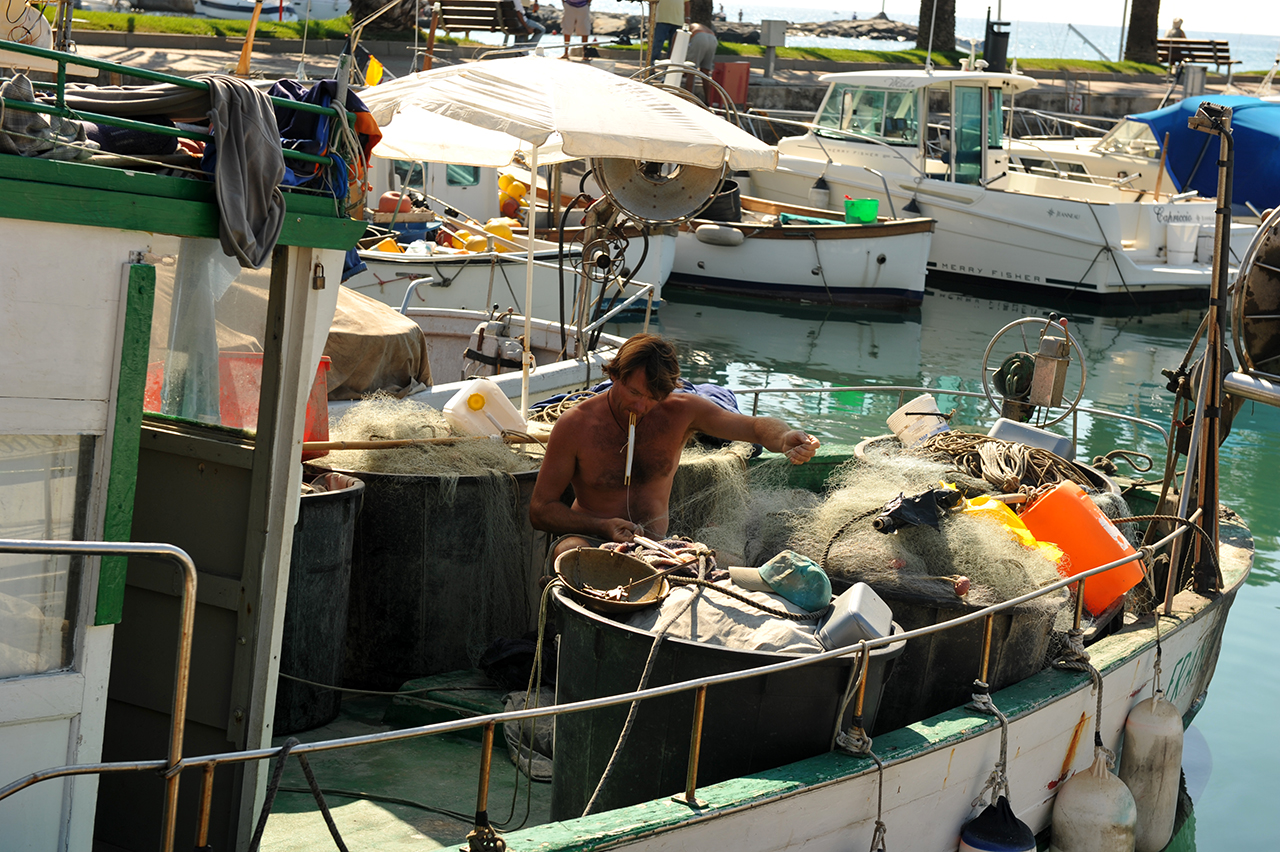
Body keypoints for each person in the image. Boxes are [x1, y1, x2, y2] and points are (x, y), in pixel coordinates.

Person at [529, 334, 820, 558]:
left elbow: (755, 427)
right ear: (614, 374)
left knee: (724, 564)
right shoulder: (575, 425)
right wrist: (600, 527)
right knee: (571, 552)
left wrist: (785, 437)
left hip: (658, 547)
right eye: (633, 392)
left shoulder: (681, 411)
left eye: (654, 397)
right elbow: (541, 510)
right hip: (590, 539)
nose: (642, 405)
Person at [684, 21, 718, 100]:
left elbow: (677, 46)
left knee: (691, 70)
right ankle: (707, 101)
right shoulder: (699, 26)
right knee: (705, 72)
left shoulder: (684, 28)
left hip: (699, 36)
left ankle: (688, 99)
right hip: (713, 38)